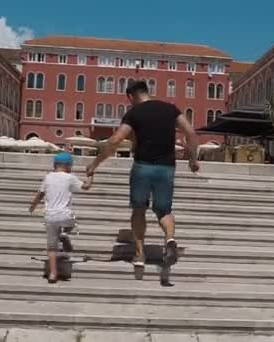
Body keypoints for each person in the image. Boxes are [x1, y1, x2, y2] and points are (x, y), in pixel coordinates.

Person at [86, 81, 200, 270]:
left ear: (130, 96)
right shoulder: (171, 109)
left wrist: (95, 164)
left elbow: (115, 139)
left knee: (139, 210)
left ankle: (140, 255)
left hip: (142, 167)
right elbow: (191, 133)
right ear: (147, 92)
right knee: (164, 211)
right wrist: (193, 159)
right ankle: (170, 239)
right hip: (166, 168)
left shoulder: (134, 113)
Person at [30, 152, 93, 283]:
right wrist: (91, 175)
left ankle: (53, 274)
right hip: (66, 216)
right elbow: (86, 186)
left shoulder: (48, 177)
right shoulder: (70, 177)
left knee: (51, 248)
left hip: (50, 217)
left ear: (54, 165)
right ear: (69, 166)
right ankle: (65, 234)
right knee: (70, 223)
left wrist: (33, 206)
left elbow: (40, 194)